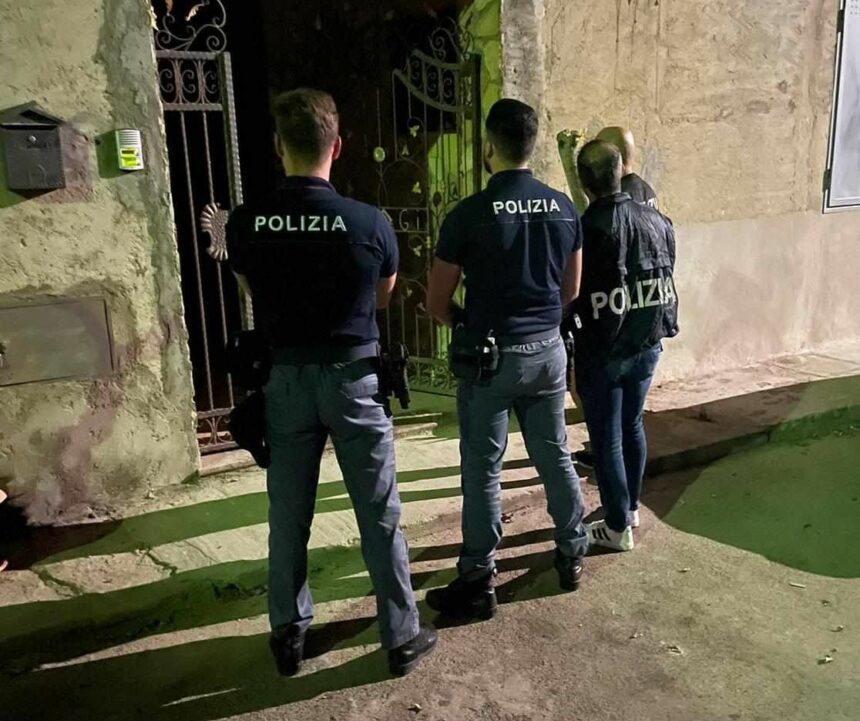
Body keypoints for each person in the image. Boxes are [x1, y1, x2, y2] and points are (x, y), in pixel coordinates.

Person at [226, 88, 436, 677]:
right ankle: (400, 637)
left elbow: (251, 288)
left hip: (286, 381)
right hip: (354, 378)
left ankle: (288, 635)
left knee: (288, 514)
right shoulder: (370, 223)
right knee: (379, 512)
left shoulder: (247, 223)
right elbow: (383, 297)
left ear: (278, 146)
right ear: (337, 147)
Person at [425, 98, 590, 619]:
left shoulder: (468, 215)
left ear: (488, 147)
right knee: (554, 454)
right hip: (547, 352)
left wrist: (465, 324)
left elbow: (435, 302)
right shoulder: (563, 208)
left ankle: (478, 577)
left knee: (482, 469)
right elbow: (571, 291)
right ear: (532, 146)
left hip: (490, 358)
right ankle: (572, 550)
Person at [572, 140, 679, 552]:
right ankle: (629, 508)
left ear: (584, 181)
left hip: (605, 348)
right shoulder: (657, 220)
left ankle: (617, 526)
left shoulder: (584, 228)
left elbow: (572, 290)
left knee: (606, 438)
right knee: (632, 424)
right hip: (647, 341)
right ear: (620, 172)